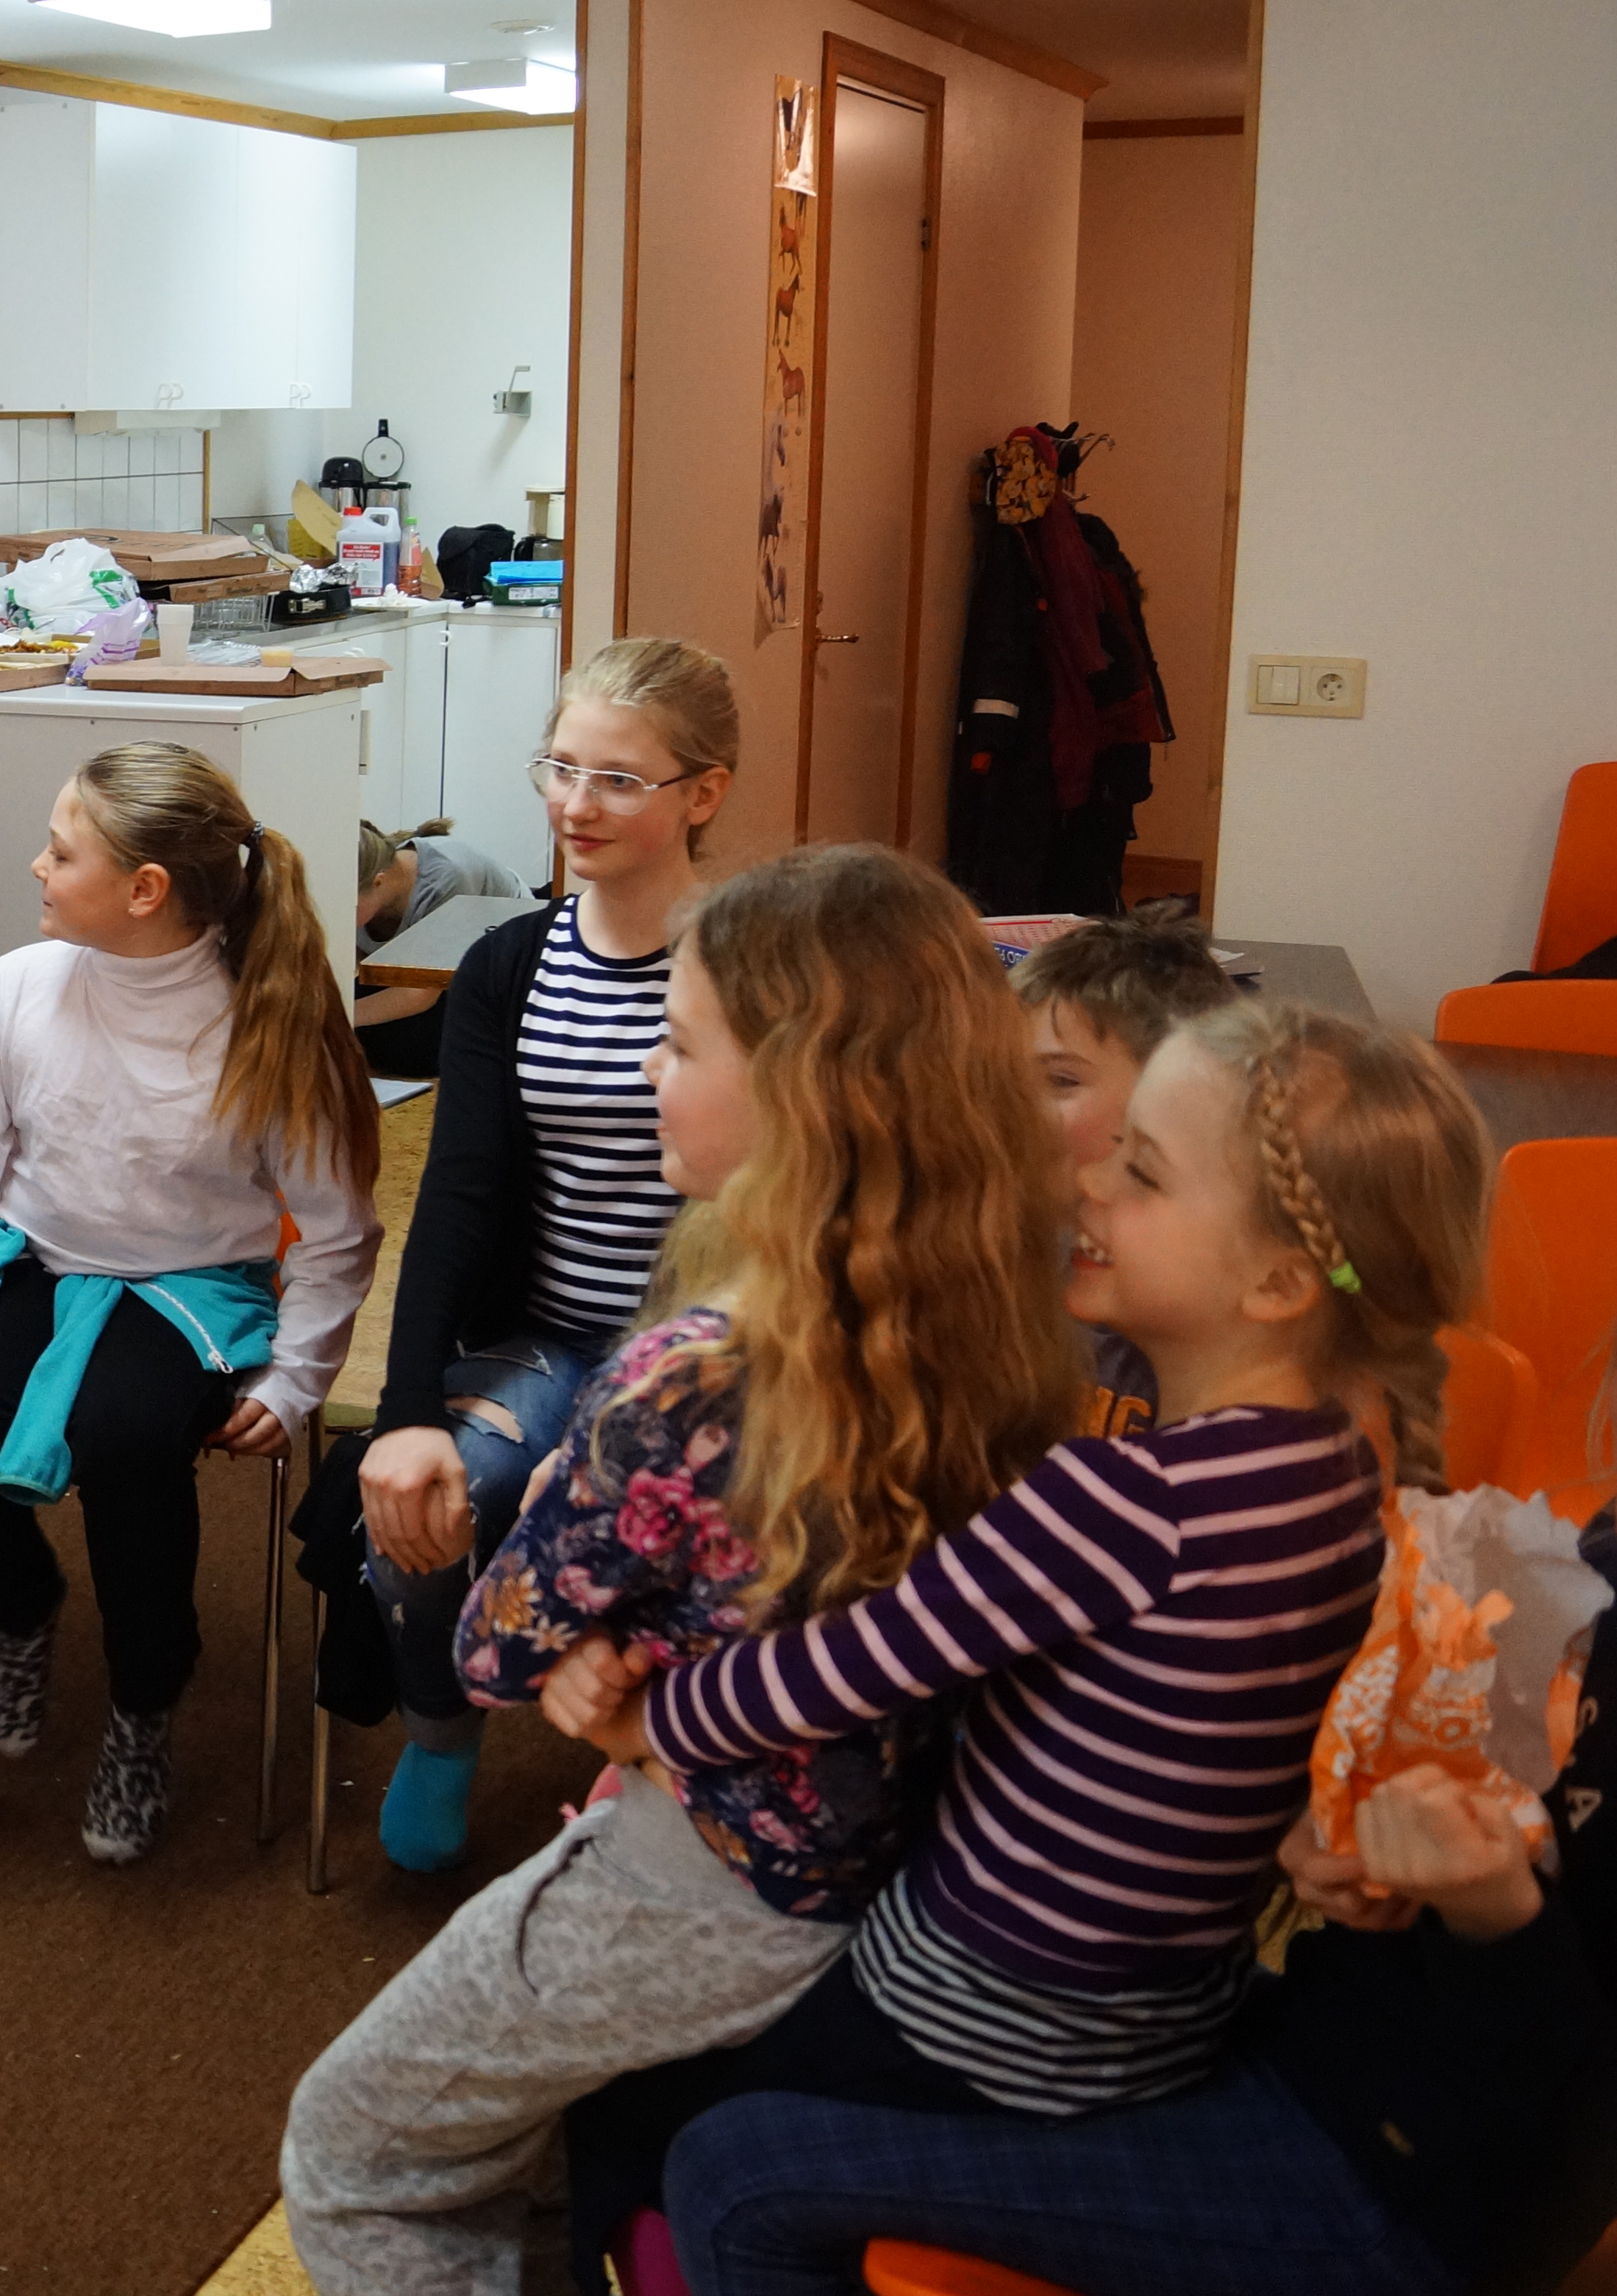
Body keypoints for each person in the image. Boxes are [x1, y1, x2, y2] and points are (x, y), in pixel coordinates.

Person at [551, 1001, 1485, 2247]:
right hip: (1156, 2012)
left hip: (978, 2013)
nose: (1089, 1181)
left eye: (1142, 1172)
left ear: (1276, 1281)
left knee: (617, 2095)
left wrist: (643, 1718)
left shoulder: (1134, 1500)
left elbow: (841, 1669)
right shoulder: (1341, 1464)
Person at [277, 844, 1075, 2296]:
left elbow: (497, 1646)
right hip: (874, 1858)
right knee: (523, 2150)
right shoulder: (997, 1312)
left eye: (682, 1042)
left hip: (708, 1868)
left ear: (804, 1095)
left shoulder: (689, 1375)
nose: (649, 1069)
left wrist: (571, 1571)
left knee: (353, 2151)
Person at [655, 1195, 1617, 2296]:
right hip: (1314, 2056)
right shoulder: (1604, 1564)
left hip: (1402, 2201)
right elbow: (1452, 1832)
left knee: (736, 2179)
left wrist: (1494, 1913)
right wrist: (1352, 1848)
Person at [0, 744, 380, 1865]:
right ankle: (23, 1603)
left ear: (145, 890)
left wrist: (297, 1380)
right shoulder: (20, 987)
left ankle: (144, 1699)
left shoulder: (263, 1014)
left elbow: (337, 1231)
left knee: (126, 1436)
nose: (37, 866)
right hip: (35, 1260)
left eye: (62, 851)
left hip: (192, 1291)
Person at [347, 636, 739, 1873]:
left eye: (619, 779)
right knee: (415, 1501)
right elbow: (457, 1197)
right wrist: (406, 1412)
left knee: (678, 1535)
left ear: (704, 794)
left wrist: (638, 1424)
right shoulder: (511, 964)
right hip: (550, 1338)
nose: (576, 804)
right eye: (561, 768)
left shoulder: (749, 967)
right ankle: (440, 1732)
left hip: (711, 1355)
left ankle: (652, 1759)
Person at [1010, 910, 1241, 1439]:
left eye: (1059, 1081)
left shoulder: (1210, 1299)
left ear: (1172, 1096)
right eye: (1003, 1076)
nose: (1009, 1105)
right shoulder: (1009, 1257)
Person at [348, 816, 523, 1082]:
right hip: (421, 971)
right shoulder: (366, 893)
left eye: (348, 905)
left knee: (409, 1048)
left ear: (378, 883)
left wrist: (336, 1018)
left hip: (498, 975)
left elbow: (420, 993)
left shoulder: (448, 879)